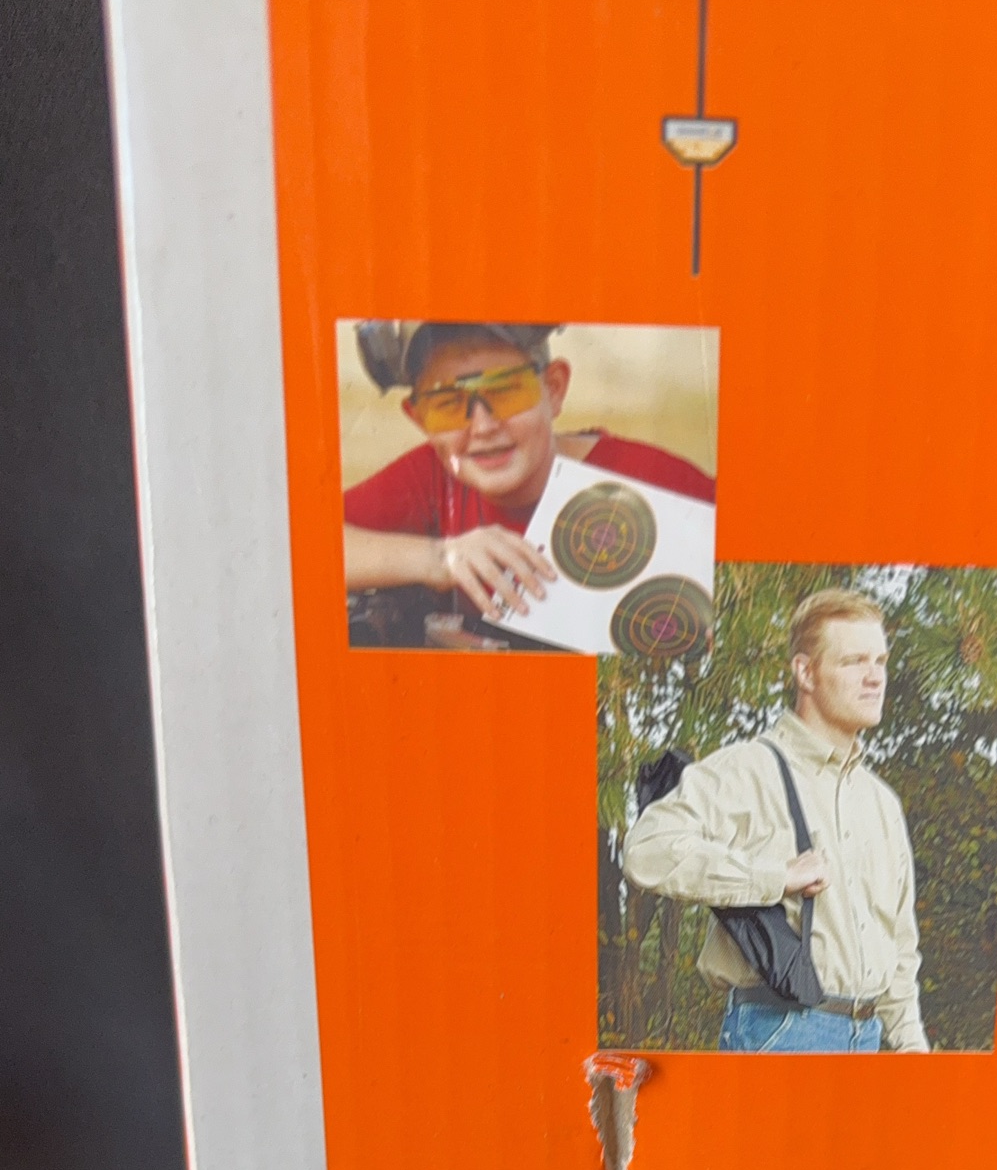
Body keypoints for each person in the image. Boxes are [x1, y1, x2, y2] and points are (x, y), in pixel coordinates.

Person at [621, 589, 929, 1053]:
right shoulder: (749, 769)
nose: (874, 678)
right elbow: (646, 850)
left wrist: (911, 1047)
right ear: (805, 672)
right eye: (854, 662)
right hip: (781, 1032)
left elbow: (900, 945)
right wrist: (775, 877)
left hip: (868, 1040)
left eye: (880, 661)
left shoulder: (881, 802)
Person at [343, 321, 715, 625]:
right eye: (447, 404)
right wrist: (440, 558)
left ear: (553, 390)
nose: (483, 427)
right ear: (420, 419)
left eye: (506, 393)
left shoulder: (651, 479)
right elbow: (312, 546)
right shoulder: (434, 476)